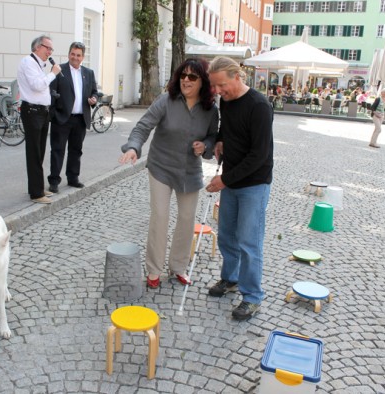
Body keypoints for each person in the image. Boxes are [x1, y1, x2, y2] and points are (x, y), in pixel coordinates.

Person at [119, 58, 218, 289]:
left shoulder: (211, 110)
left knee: (186, 220)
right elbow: (143, 126)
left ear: (202, 81)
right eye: (183, 75)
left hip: (190, 171)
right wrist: (133, 147)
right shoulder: (166, 101)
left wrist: (205, 146)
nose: (186, 79)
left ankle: (179, 268)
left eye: (192, 76)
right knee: (160, 217)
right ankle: (154, 270)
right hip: (161, 167)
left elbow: (213, 136)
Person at [205, 56, 274, 321]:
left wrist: (225, 180)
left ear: (237, 76)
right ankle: (230, 278)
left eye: (222, 85)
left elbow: (259, 156)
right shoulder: (227, 101)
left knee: (249, 241)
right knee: (226, 236)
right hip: (232, 180)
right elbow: (226, 127)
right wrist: (221, 140)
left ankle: (252, 296)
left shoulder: (259, 106)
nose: (218, 91)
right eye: (215, 86)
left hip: (253, 184)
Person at [47, 42, 98, 193]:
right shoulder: (59, 70)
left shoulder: (88, 73)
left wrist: (94, 99)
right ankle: (54, 181)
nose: (75, 57)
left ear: (83, 57)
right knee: (57, 150)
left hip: (80, 118)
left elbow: (94, 91)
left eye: (78, 55)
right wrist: (54, 114)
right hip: (62, 118)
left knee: (76, 150)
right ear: (69, 54)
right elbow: (51, 93)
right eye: (73, 54)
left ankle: (73, 178)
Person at [17, 35, 62, 204]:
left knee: (40, 151)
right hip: (33, 112)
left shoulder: (38, 64)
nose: (49, 52)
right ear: (37, 47)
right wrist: (53, 74)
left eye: (51, 49)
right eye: (47, 48)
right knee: (34, 153)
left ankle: (37, 187)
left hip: (41, 112)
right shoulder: (28, 62)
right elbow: (37, 85)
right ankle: (36, 194)